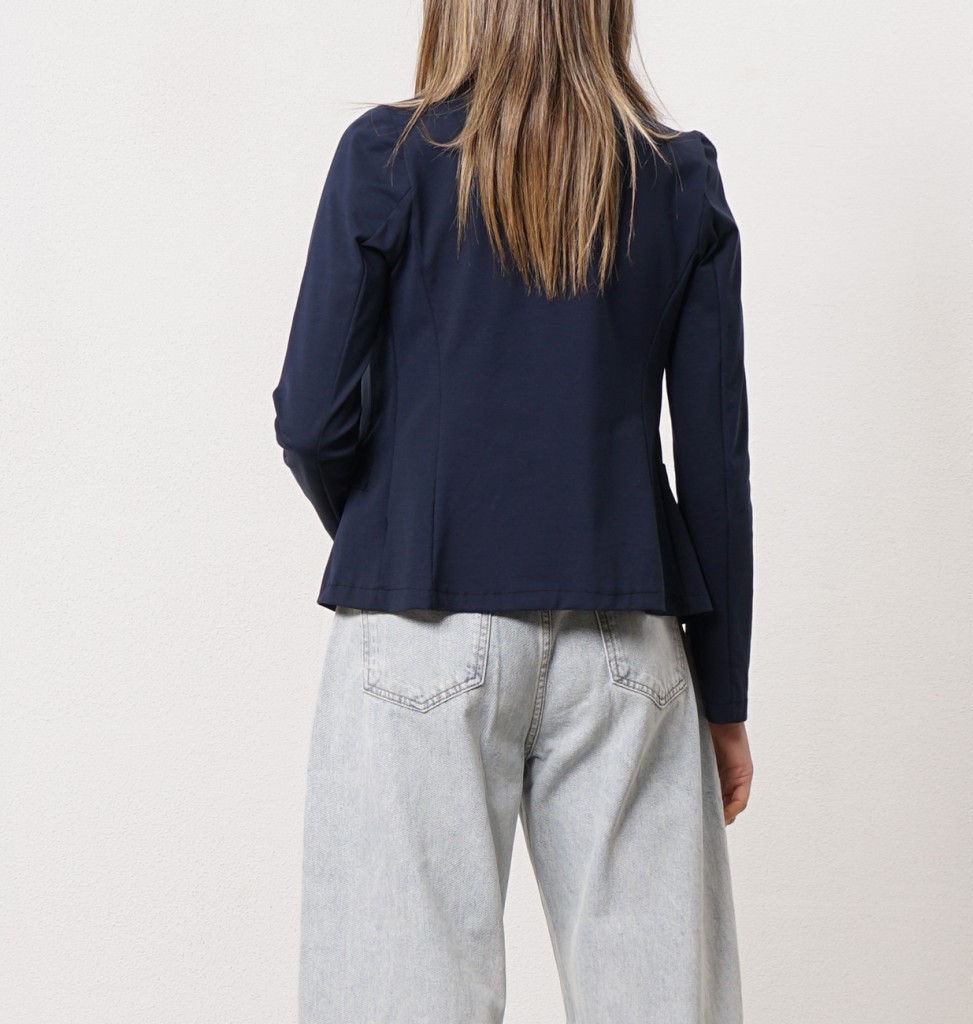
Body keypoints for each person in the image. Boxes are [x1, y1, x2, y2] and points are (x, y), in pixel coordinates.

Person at [271, 1, 754, 1020]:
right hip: (626, 641)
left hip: (417, 623)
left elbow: (313, 419)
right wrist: (723, 700)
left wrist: (392, 532)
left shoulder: (387, 159)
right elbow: (713, 466)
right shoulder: (677, 177)